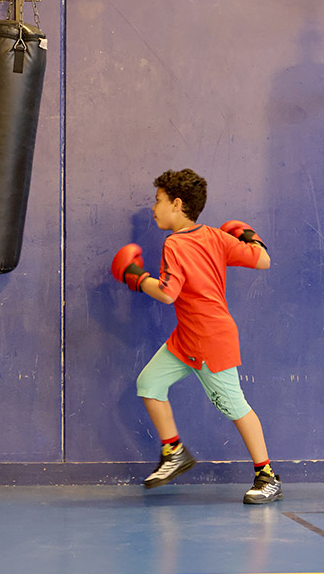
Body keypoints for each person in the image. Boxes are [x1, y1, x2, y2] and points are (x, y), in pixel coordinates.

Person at [111, 168, 282, 504]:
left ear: (176, 204)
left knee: (235, 408)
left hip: (209, 340)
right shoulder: (217, 237)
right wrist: (248, 236)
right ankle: (173, 451)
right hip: (186, 338)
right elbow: (262, 260)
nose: (154, 208)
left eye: (158, 201)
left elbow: (167, 294)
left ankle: (267, 476)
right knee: (149, 384)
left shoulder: (174, 244)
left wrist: (135, 276)